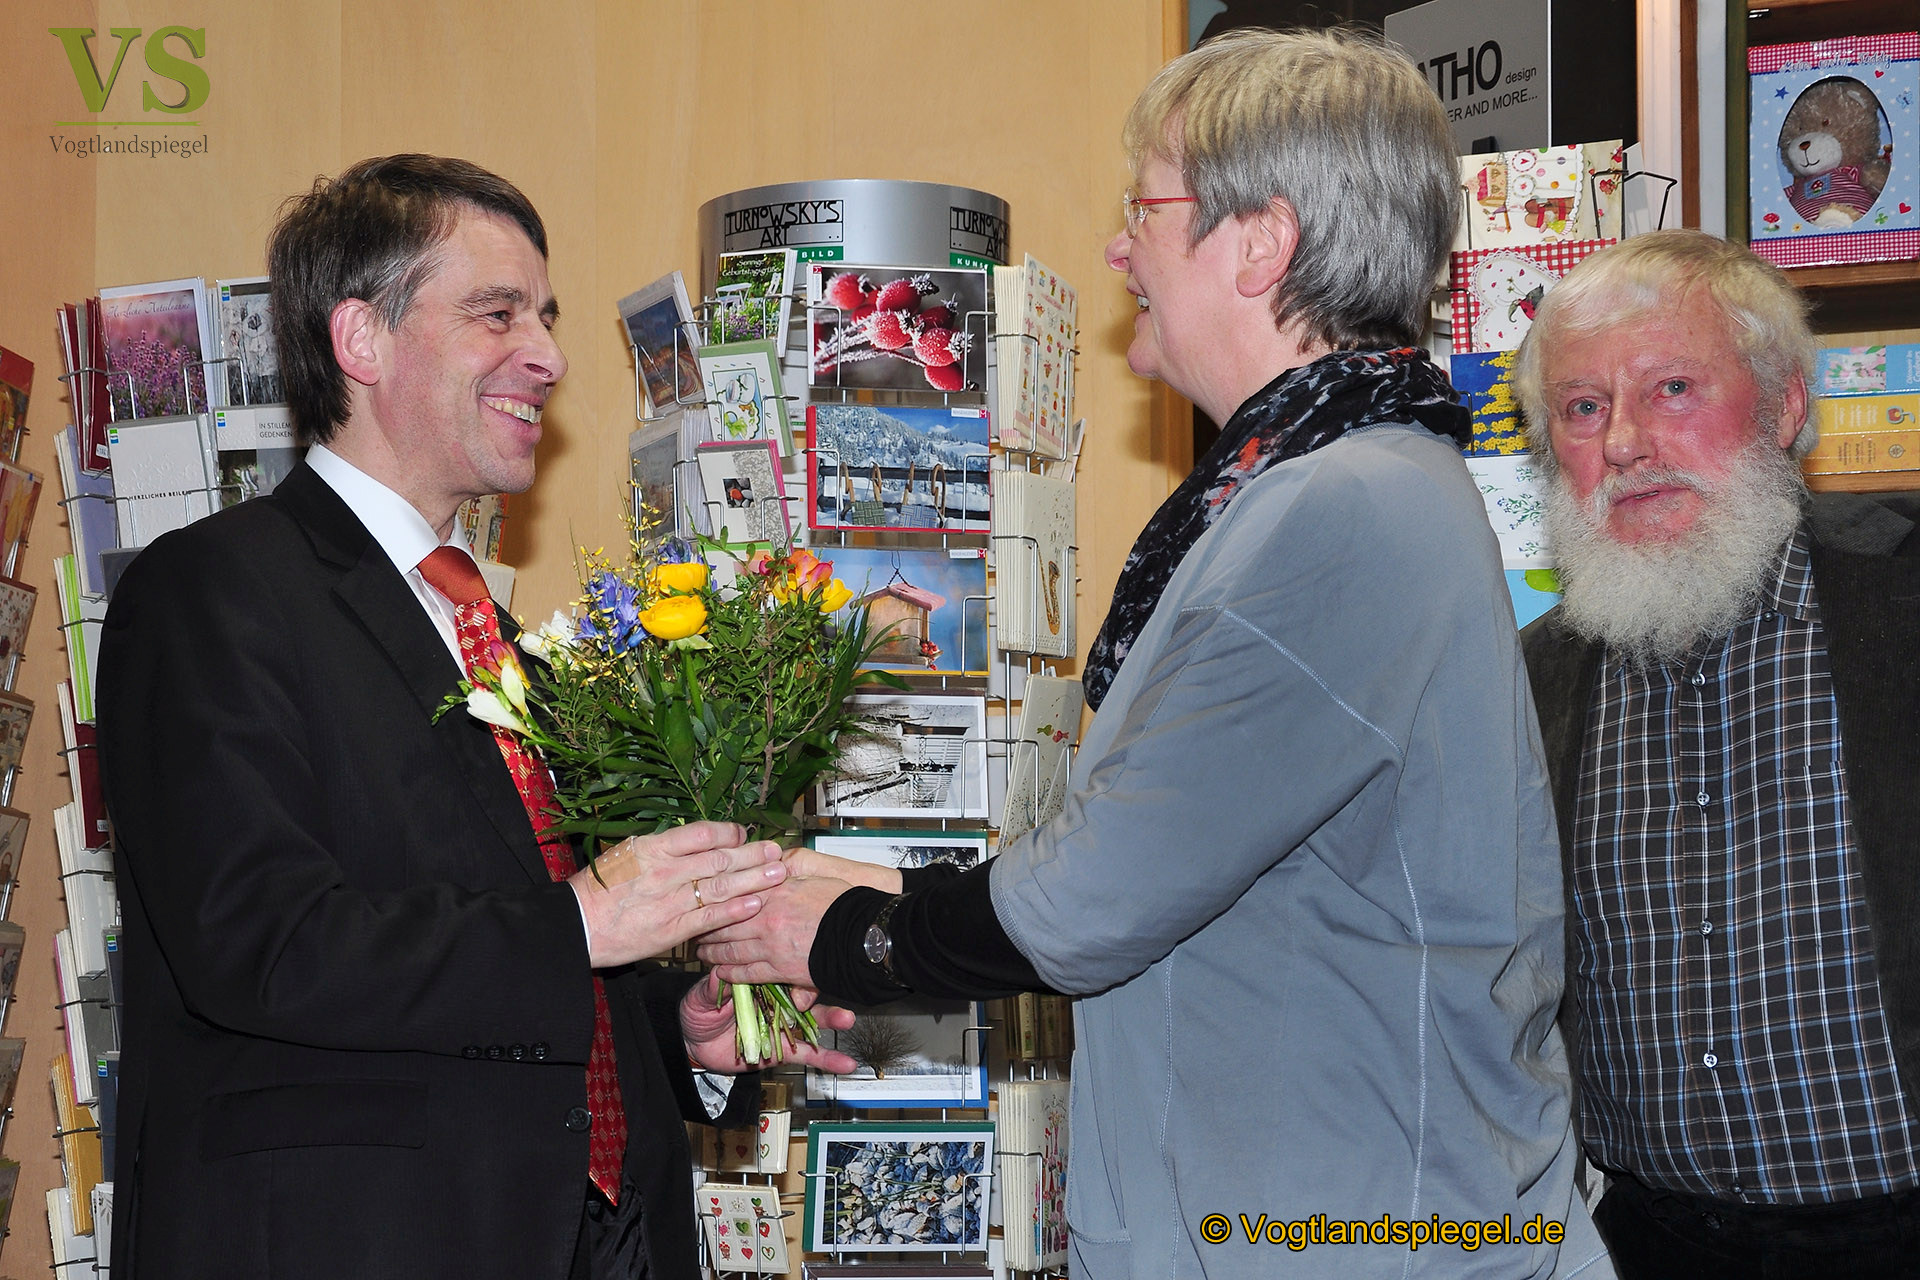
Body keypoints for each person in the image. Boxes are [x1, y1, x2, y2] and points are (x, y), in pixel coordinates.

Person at [700, 29, 1610, 1279]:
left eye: (1146, 207)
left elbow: (1093, 897)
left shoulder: (1341, 509)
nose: (1120, 247)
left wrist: (845, 927)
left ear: (1261, 242)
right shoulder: (1309, 482)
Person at [96, 154, 851, 1280]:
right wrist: (587, 922)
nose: (546, 354)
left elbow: (533, 962)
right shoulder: (211, 593)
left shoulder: (498, 638)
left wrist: (682, 1034)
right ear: (361, 340)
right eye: (496, 313)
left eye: (544, 316)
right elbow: (260, 944)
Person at [1511, 228, 1920, 1278]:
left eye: (1675, 387)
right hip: (1648, 1239)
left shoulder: (1903, 605)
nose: (1628, 443)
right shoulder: (1528, 680)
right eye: (1584, 406)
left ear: (1785, 404)